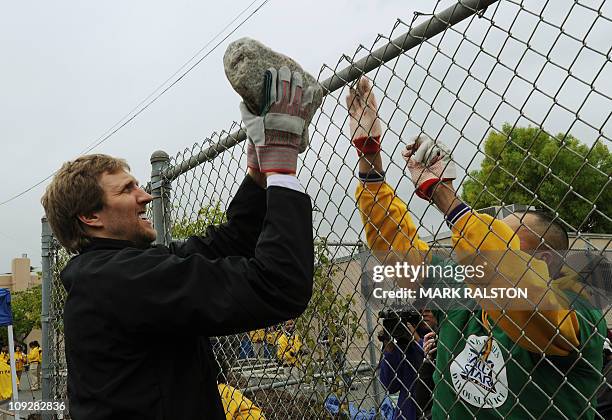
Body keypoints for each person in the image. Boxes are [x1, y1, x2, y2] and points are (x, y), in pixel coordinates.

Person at [41, 66, 319, 419]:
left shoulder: (112, 275)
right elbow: (278, 286)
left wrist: (259, 169)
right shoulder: (122, 280)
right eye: (127, 189)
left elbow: (225, 244)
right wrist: (282, 168)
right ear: (91, 217)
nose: (146, 196)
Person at [346, 77, 605, 419]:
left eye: (504, 239)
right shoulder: (462, 289)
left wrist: (450, 202)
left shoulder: (577, 306)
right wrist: (369, 156)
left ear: (543, 260)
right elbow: (396, 249)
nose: (485, 240)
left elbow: (522, 298)